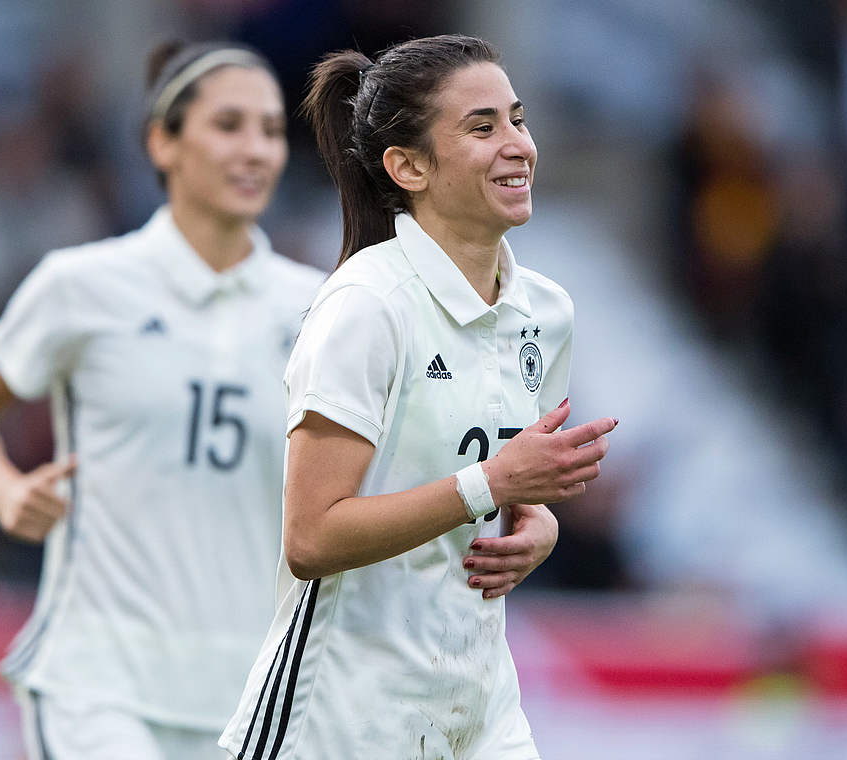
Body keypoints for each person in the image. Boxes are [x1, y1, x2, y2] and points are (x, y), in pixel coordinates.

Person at [0, 39, 561, 760]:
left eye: (269, 130)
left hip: (249, 683)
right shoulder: (83, 286)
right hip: (100, 678)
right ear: (162, 143)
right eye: (228, 126)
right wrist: (4, 488)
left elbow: (418, 478)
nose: (256, 150)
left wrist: (531, 519)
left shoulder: (318, 304)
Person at [219, 34, 616, 760]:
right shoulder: (366, 306)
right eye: (482, 126)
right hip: (343, 719)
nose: (518, 145)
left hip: (480, 708)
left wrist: (540, 528)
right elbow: (311, 539)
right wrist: (489, 485)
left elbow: (518, 491)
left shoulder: (545, 312)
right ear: (408, 167)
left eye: (518, 120)